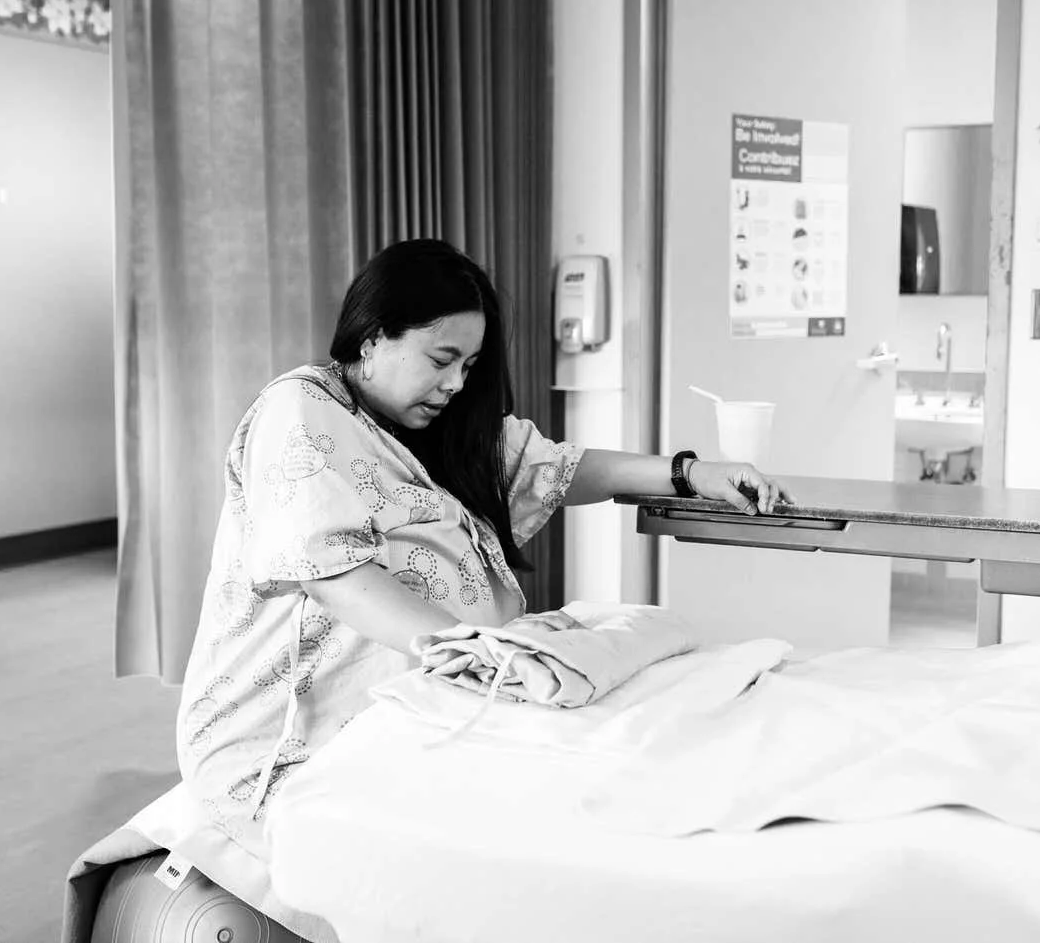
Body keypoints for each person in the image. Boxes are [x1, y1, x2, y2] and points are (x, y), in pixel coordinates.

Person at [168, 237, 787, 933]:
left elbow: (557, 467)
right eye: (441, 359)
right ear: (373, 338)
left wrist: (690, 472)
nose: (457, 383)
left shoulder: (436, 428)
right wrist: (472, 653)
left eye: (468, 364)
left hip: (445, 691)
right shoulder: (302, 412)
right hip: (291, 743)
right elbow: (336, 573)